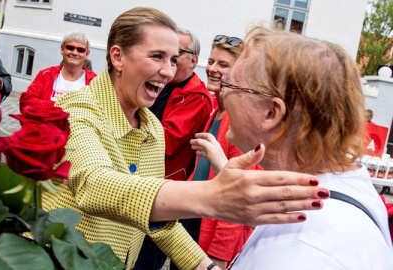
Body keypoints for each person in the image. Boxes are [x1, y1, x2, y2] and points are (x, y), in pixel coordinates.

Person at [42, 7, 330, 270]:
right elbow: (94, 186)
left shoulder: (152, 127)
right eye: (157, 57)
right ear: (117, 57)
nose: (168, 71)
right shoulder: (76, 108)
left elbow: (160, 221)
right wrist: (210, 197)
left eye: (173, 60)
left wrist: (206, 267)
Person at [196, 26, 393, 269]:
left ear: (271, 113)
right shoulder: (335, 187)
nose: (222, 92)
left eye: (231, 85)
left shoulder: (299, 249)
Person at [135, 28, 214, 270]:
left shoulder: (196, 96)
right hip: (142, 183)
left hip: (162, 189)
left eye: (178, 53)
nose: (171, 60)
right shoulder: (165, 84)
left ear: (193, 60)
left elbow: (167, 142)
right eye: (165, 53)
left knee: (146, 259)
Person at [189, 35, 261, 269]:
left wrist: (218, 256)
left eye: (223, 65)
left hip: (211, 243)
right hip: (194, 226)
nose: (212, 69)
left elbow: (239, 195)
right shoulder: (216, 112)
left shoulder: (239, 119)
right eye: (211, 61)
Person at [19, 31, 96, 112]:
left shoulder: (94, 81)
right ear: (62, 50)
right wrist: (61, 106)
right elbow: (26, 102)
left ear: (87, 54)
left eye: (80, 50)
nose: (74, 53)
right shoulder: (46, 74)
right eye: (70, 47)